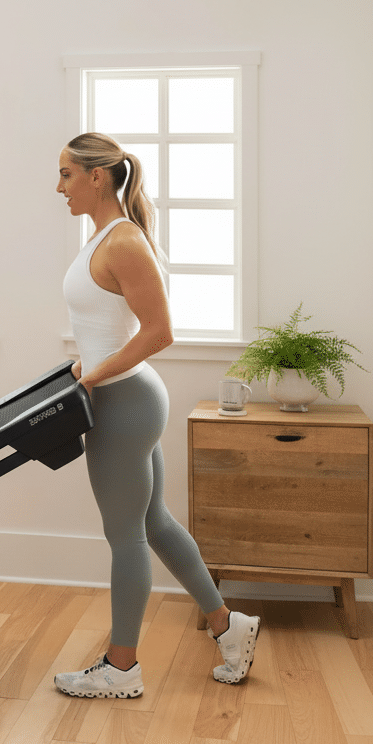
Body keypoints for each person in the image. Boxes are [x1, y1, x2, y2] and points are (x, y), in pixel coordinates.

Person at [52, 132, 260, 699]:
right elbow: (108, 328)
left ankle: (122, 668)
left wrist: (93, 375)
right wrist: (85, 365)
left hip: (124, 402)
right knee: (154, 524)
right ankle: (228, 626)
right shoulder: (105, 237)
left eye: (68, 174)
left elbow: (159, 333)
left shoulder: (122, 242)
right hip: (123, 396)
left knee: (125, 537)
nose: (60, 186)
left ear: (98, 177)